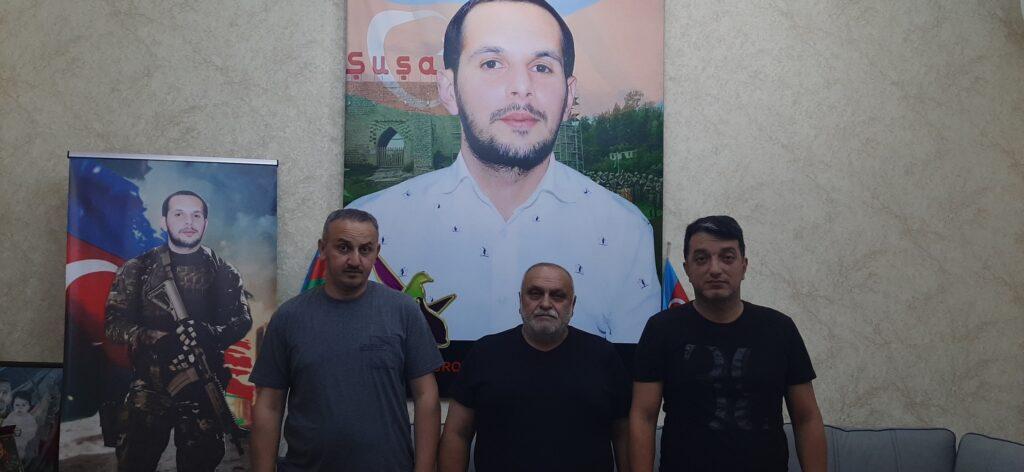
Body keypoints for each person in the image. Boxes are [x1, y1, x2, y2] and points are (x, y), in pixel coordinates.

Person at [348, 0, 659, 343]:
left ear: (569, 95)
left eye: (541, 67)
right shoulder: (378, 227)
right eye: (492, 63)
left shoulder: (625, 232)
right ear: (449, 90)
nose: (521, 86)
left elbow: (637, 369)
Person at [249, 209, 443, 472]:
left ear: (376, 252)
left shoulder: (403, 311)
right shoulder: (289, 317)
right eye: (343, 248)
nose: (355, 260)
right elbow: (269, 405)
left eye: (365, 250)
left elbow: (426, 396)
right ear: (322, 249)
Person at [629, 216, 827, 472]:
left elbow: (807, 418)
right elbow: (643, 417)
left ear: (744, 266)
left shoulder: (780, 329)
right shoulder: (661, 329)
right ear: (687, 268)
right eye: (702, 258)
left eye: (727, 257)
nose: (715, 269)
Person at [105, 190, 252, 472]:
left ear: (206, 222)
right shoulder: (138, 269)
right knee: (135, 462)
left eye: (196, 215)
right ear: (164, 221)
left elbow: (241, 321)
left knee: (200, 462)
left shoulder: (223, 271)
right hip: (150, 387)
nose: (189, 222)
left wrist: (210, 333)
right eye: (179, 214)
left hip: (201, 386)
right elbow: (113, 324)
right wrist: (154, 338)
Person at [439, 262, 631, 472]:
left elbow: (623, 435)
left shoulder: (603, 356)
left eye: (558, 296)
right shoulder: (485, 353)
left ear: (573, 305)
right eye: (535, 294)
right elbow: (457, 433)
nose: (545, 303)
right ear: (520, 300)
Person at [1, 391, 37, 460]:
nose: (20, 408)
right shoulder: (11, 416)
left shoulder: (30, 419)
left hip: (21, 445)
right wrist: (8, 429)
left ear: (29, 406)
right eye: (17, 405)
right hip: (9, 442)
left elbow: (32, 432)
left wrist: (22, 432)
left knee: (19, 454)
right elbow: (4, 426)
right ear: (13, 406)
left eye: (23, 405)